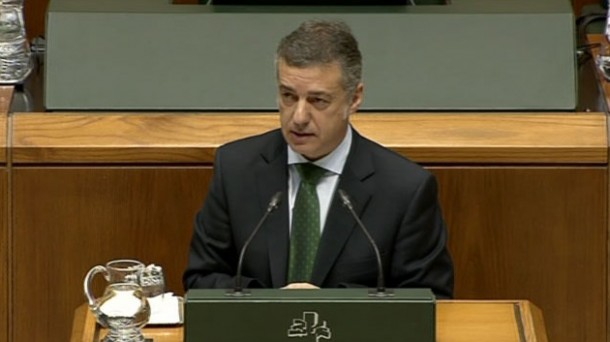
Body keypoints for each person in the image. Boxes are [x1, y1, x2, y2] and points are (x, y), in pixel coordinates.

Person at [183, 19, 453, 298]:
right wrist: (274, 303)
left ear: (355, 98)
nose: (298, 117)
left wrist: (328, 306)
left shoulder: (404, 189)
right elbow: (201, 280)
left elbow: (429, 298)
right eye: (288, 96)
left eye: (318, 101)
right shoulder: (236, 168)